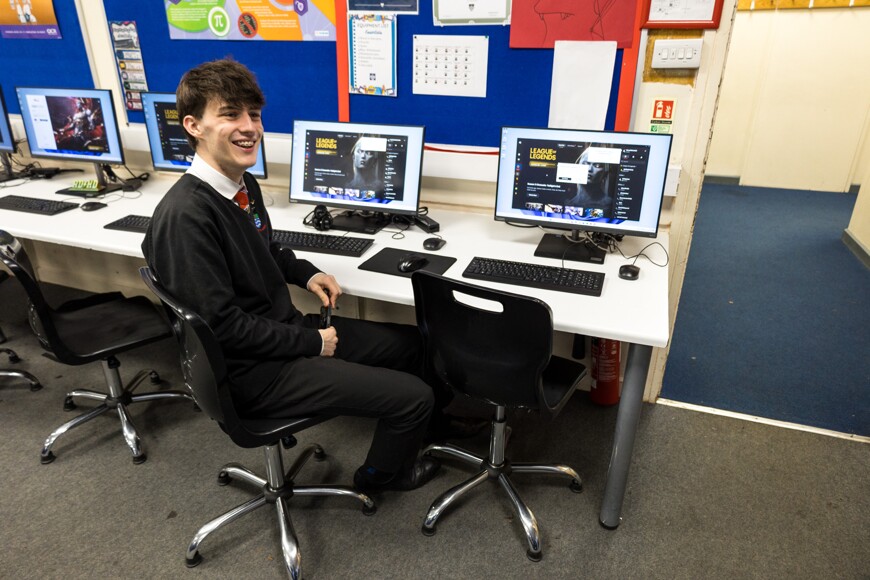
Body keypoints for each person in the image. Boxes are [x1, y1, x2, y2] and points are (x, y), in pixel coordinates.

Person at [142, 59, 473, 492]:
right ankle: (380, 477)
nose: (249, 127)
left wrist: (306, 273)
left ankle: (427, 429)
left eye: (254, 115)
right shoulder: (187, 217)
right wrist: (312, 343)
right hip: (256, 373)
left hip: (282, 334)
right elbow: (223, 328)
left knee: (417, 346)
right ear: (194, 126)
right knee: (414, 396)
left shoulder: (239, 185)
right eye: (230, 115)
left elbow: (264, 248)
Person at [563, 147, 614, 213]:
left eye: (597, 165)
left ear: (605, 173)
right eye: (585, 163)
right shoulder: (568, 204)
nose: (589, 169)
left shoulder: (610, 205)